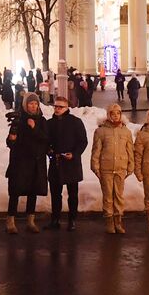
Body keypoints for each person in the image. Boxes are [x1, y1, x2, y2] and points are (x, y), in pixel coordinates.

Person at [4, 95, 50, 233]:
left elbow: (45, 139)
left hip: (36, 162)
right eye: (30, 104)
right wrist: (11, 138)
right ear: (25, 105)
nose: (33, 106)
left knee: (32, 191)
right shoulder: (18, 120)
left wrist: (34, 127)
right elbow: (11, 142)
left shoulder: (42, 121)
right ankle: (10, 221)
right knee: (15, 191)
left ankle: (31, 221)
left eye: (36, 103)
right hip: (20, 162)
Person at [91, 103, 134, 234]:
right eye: (112, 114)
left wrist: (130, 166)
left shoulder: (126, 131)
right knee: (108, 196)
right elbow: (96, 151)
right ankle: (109, 221)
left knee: (119, 196)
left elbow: (130, 150)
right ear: (108, 115)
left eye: (118, 113)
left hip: (120, 168)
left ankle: (118, 221)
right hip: (106, 169)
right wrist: (95, 167)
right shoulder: (101, 131)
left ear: (121, 115)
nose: (115, 116)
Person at [47, 96, 87, 230]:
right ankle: (55, 219)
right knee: (55, 193)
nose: (57, 109)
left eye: (60, 107)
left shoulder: (75, 122)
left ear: (67, 108)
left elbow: (83, 141)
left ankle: (72, 220)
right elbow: (45, 142)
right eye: (55, 107)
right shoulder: (49, 123)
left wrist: (74, 154)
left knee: (72, 193)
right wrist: (50, 151)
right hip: (56, 162)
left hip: (71, 163)